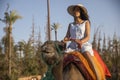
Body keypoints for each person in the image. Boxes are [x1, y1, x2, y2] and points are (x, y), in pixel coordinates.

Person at [63, 4, 105, 80]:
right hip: (72, 46)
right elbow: (67, 36)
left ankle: (98, 77)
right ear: (73, 12)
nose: (76, 11)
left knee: (88, 56)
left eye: (78, 10)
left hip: (83, 45)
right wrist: (64, 40)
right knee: (61, 58)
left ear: (81, 12)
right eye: (75, 10)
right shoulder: (70, 25)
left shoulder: (86, 22)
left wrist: (81, 41)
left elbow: (88, 36)